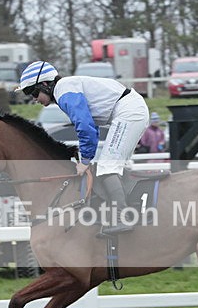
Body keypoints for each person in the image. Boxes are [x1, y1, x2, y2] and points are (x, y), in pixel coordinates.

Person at [17, 60, 149, 235]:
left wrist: (86, 160)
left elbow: (85, 126)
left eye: (32, 92)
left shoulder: (64, 91)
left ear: (45, 84)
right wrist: (85, 155)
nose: (34, 99)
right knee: (111, 166)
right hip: (130, 109)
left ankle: (122, 218)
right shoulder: (64, 90)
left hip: (129, 112)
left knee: (107, 167)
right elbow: (90, 128)